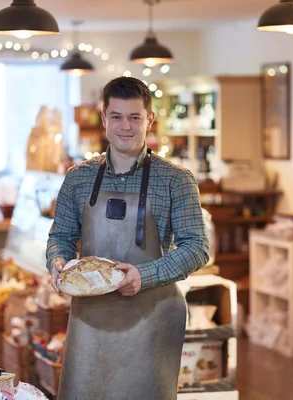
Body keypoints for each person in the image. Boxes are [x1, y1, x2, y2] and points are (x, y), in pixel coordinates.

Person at [46, 76, 210, 400]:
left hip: (153, 320)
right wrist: (57, 260)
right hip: (89, 320)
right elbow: (61, 236)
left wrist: (143, 276)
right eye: (117, 117)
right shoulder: (78, 178)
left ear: (149, 119)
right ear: (104, 118)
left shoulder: (176, 180)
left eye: (135, 117)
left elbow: (197, 247)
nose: (126, 126)